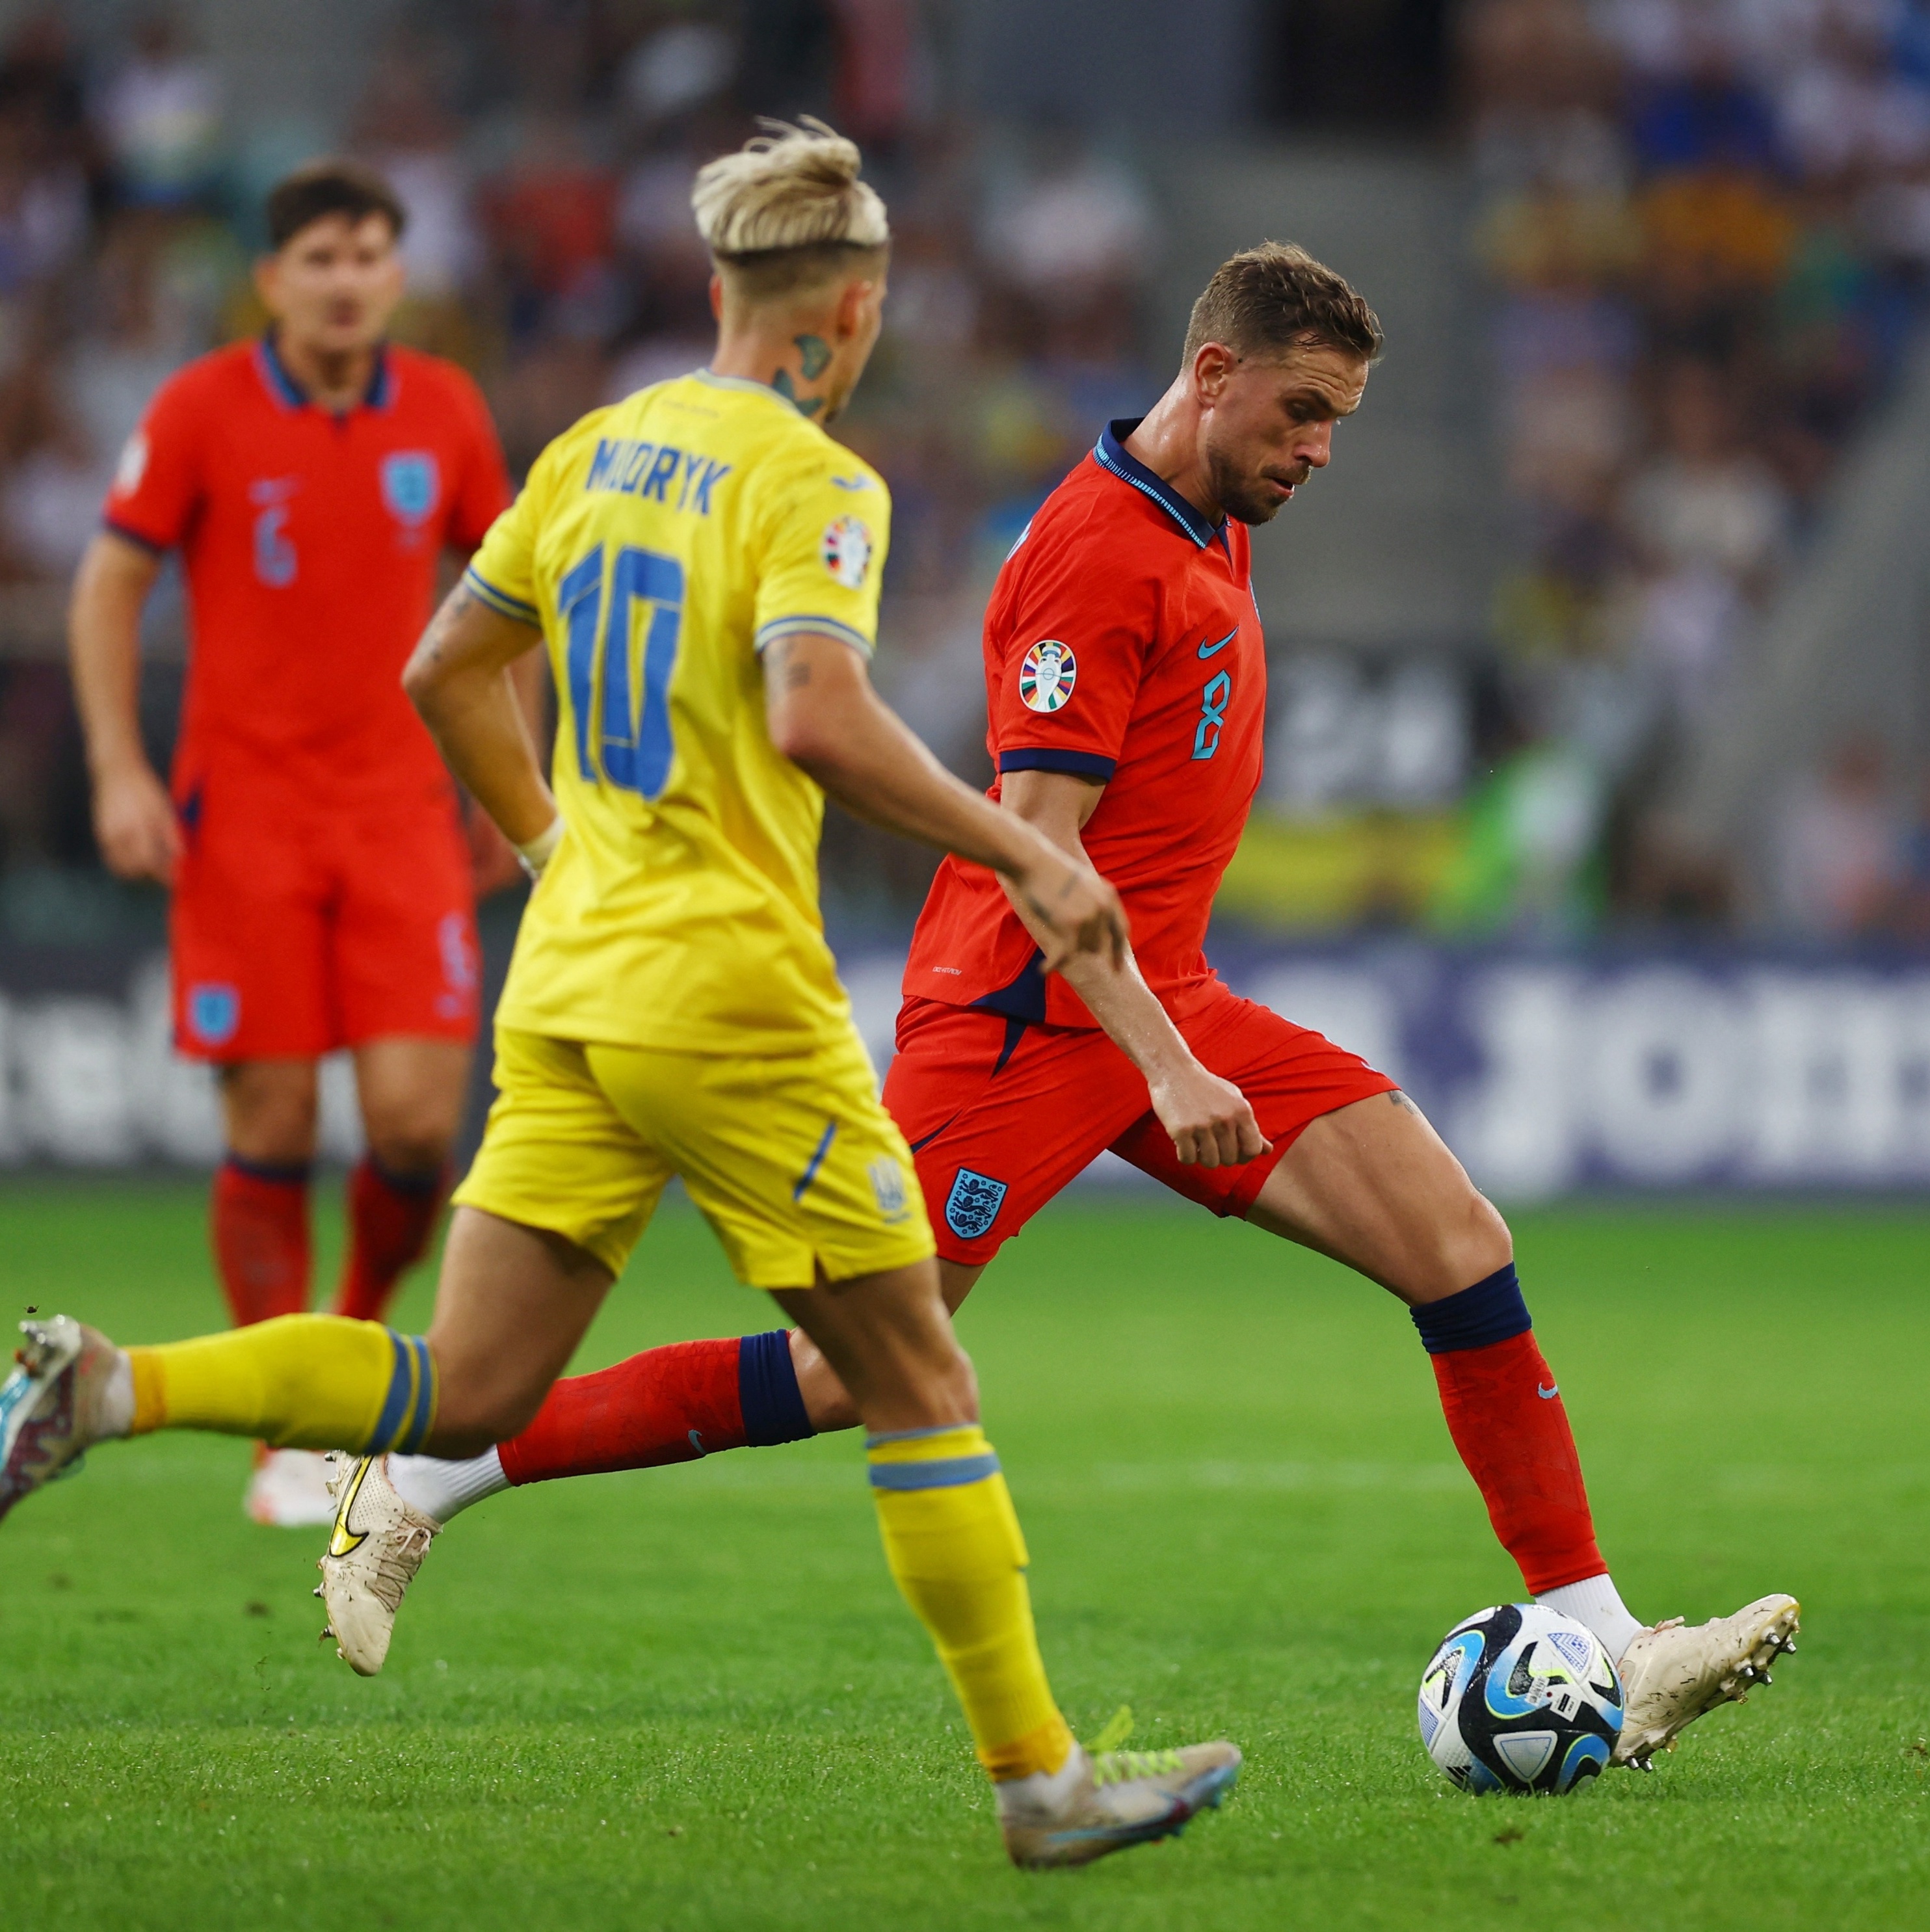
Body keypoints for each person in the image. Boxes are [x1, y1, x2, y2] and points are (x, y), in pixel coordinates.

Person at [320, 242, 1799, 1775]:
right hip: (1020, 1023)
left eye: (1337, 423)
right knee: (846, 1376)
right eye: (1300, 413)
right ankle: (427, 1476)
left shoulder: (1212, 510)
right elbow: (1038, 854)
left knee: (1457, 1245)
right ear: (1209, 373)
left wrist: (1166, 1035)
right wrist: (1161, 1065)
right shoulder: (1096, 558)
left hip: (1158, 997)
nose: (1318, 453)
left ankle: (1607, 1646)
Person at [1, 120, 1239, 1873]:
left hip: (570, 980)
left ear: (725, 291)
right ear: (852, 312)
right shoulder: (815, 479)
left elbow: (448, 664)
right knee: (918, 1379)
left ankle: (115, 1386)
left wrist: (544, 838)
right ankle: (1040, 1779)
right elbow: (814, 712)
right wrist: (1025, 851)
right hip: (731, 998)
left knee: (471, 1384)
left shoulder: (600, 443)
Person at [66, 160, 518, 1527]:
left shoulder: (442, 410)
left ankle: (337, 1358)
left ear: (396, 276)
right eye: (320, 256)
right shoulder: (200, 408)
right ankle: (284, 1441)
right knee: (269, 1118)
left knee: (411, 1127)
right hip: (245, 818)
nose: (345, 279)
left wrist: (516, 786)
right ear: (274, 279)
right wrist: (115, 767)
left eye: (369, 255)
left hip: (399, 819)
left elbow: (503, 594)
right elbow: (108, 583)